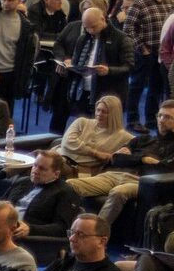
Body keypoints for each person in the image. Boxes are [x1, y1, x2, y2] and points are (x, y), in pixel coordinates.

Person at [68, 97, 174, 232]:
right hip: (114, 175)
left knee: (118, 192)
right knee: (71, 184)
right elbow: (117, 158)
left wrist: (131, 157)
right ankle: (68, 230)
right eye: (159, 115)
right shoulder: (142, 139)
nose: (161, 120)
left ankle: (94, 235)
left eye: (167, 117)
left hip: (139, 182)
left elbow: (163, 168)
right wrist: (143, 159)